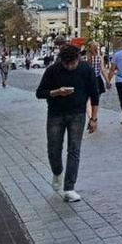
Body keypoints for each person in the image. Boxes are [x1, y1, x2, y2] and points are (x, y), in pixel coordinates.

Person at [35, 45, 100, 203]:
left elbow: (95, 94)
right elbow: (39, 93)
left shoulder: (86, 70)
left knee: (74, 150)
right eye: (66, 64)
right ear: (61, 61)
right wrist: (56, 92)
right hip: (55, 114)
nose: (70, 67)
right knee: (53, 149)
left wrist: (94, 119)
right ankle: (57, 172)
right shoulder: (52, 70)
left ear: (78, 58)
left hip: (77, 114)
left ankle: (69, 188)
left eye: (73, 63)